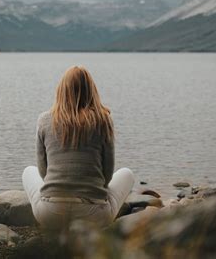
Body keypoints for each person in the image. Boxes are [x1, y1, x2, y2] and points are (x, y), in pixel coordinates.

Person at [22, 66, 135, 229]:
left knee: (28, 171)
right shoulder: (103, 120)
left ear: (61, 90)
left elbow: (43, 171)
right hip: (93, 215)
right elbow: (107, 173)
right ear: (91, 91)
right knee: (127, 174)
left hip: (50, 213)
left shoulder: (44, 120)